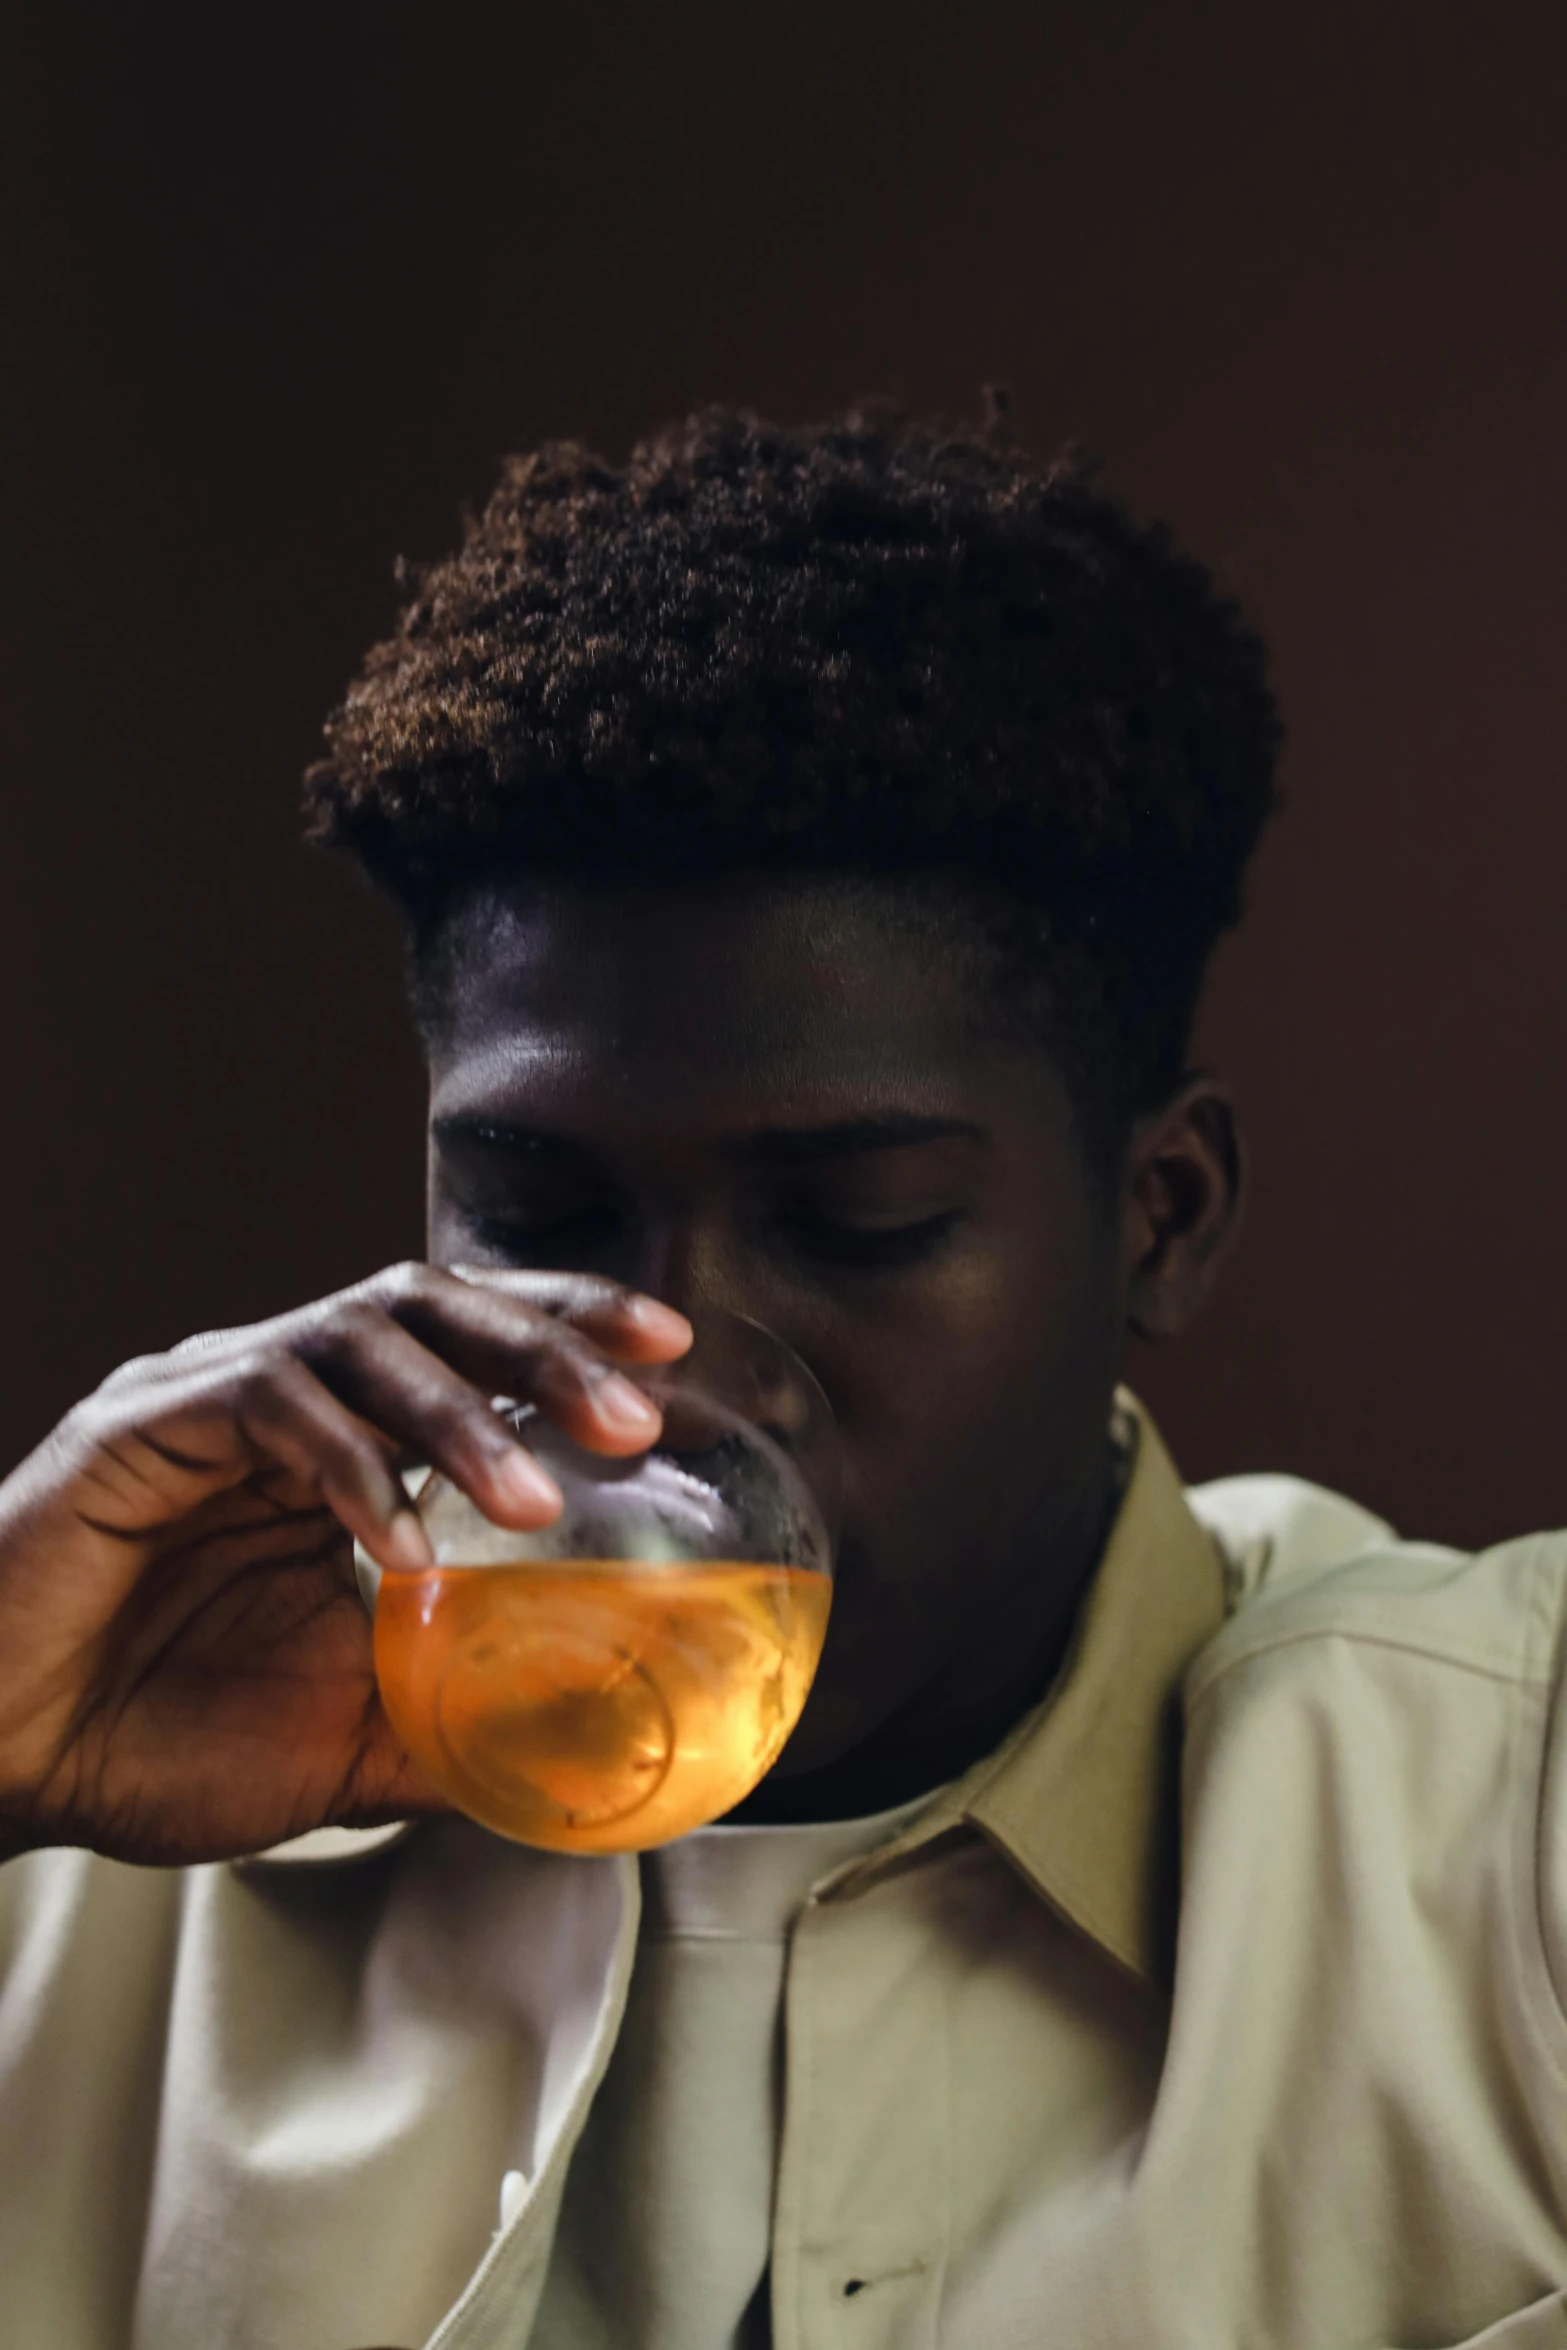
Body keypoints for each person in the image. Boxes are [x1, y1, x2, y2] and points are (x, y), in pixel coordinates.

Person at [0, 403, 1562, 2350]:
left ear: (1160, 1214)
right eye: (538, 1207)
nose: (649, 1388)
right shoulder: (89, 1832)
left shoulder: (1508, 1814)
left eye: (861, 1220)